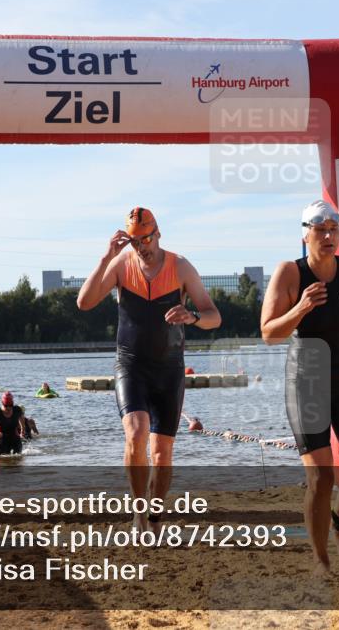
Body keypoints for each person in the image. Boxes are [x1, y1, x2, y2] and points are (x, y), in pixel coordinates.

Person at [77, 206, 221, 532]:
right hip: (131, 365)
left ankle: (155, 514)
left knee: (162, 452)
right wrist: (106, 257)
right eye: (136, 242)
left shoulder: (181, 267)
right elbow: (84, 303)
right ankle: (139, 512)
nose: (142, 247)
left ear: (158, 234)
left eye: (147, 239)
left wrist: (193, 317)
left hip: (169, 369)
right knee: (136, 432)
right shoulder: (120, 265)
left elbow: (214, 316)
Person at [260, 200, 339, 575]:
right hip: (307, 382)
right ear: (306, 234)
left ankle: (338, 519)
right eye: (321, 231)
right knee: (322, 476)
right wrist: (299, 309)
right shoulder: (290, 273)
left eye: (334, 230)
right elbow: (268, 333)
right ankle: (321, 560)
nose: (329, 237)